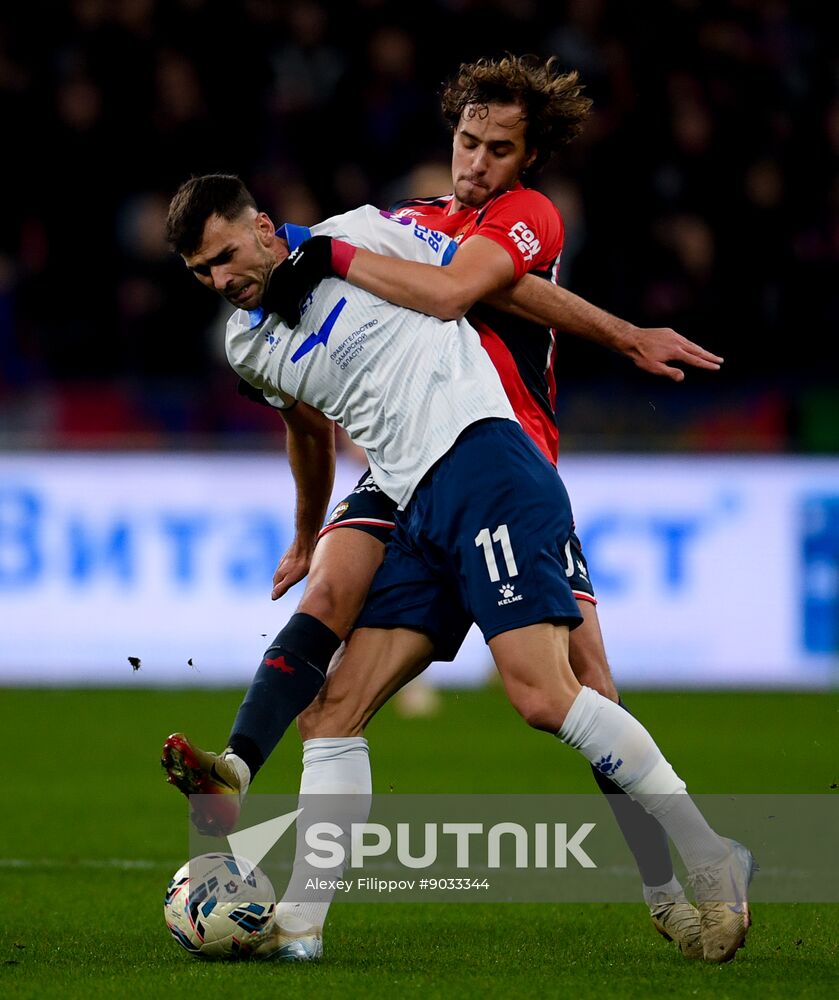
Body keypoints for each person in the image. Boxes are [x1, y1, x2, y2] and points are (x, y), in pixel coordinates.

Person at [165, 56, 722, 956]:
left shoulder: (508, 222)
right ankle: (255, 811)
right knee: (330, 626)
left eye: (498, 149)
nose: (475, 164)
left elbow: (482, 290)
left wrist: (624, 336)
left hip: (500, 455)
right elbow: (305, 422)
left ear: (526, 158)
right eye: (466, 143)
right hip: (401, 474)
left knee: (577, 687)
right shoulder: (395, 226)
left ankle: (672, 881)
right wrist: (306, 531)